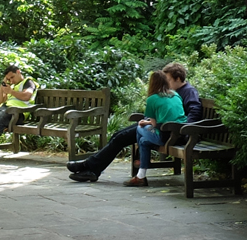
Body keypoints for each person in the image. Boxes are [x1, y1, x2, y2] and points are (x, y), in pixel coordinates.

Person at [67, 61, 203, 182]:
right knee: (118, 135)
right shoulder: (173, 92)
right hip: (162, 127)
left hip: (172, 132)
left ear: (178, 79)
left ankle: (90, 168)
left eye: (168, 80)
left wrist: (183, 131)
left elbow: (194, 111)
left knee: (121, 137)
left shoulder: (188, 92)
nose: (166, 83)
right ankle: (92, 167)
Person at [122, 70, 188, 187]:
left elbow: (153, 123)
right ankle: (141, 176)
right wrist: (148, 122)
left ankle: (141, 160)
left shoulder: (152, 99)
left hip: (166, 137)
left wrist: (144, 123)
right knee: (143, 141)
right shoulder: (175, 94)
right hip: (182, 135)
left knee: (139, 127)